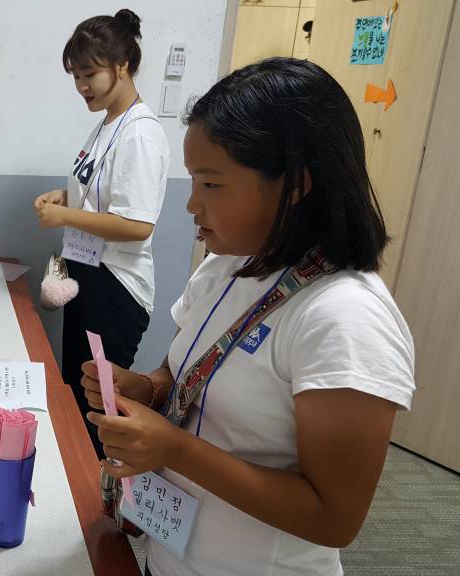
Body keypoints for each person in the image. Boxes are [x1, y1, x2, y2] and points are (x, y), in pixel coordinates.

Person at [81, 57, 415, 575]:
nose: (192, 205)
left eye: (211, 185)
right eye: (192, 181)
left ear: (296, 183)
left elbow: (333, 517)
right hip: (169, 557)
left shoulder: (343, 318)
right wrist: (146, 388)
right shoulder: (225, 267)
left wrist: (175, 449)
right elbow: (186, 374)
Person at [34, 9, 170, 458]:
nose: (82, 86)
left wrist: (68, 218)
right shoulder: (108, 123)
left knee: (99, 405)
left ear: (123, 65)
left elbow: (137, 225)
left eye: (89, 73)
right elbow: (102, 196)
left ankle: (106, 505)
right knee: (79, 391)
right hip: (90, 277)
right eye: (76, 76)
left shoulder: (140, 134)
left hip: (116, 291)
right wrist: (65, 197)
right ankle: (88, 495)